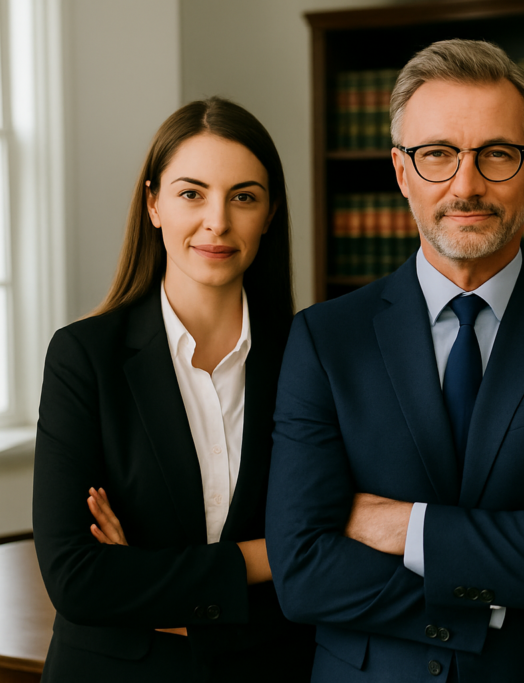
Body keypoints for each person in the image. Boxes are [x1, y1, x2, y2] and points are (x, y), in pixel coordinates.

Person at [266, 39, 524, 683]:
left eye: (497, 154)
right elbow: (303, 573)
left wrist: (411, 529)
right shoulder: (324, 338)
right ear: (402, 172)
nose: (467, 185)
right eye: (437, 155)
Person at [33, 97, 314, 682]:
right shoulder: (84, 357)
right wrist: (268, 556)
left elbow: (334, 559)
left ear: (269, 213)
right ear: (154, 203)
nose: (218, 221)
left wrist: (146, 582)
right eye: (192, 193)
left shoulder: (311, 358)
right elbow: (78, 581)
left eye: (244, 197)